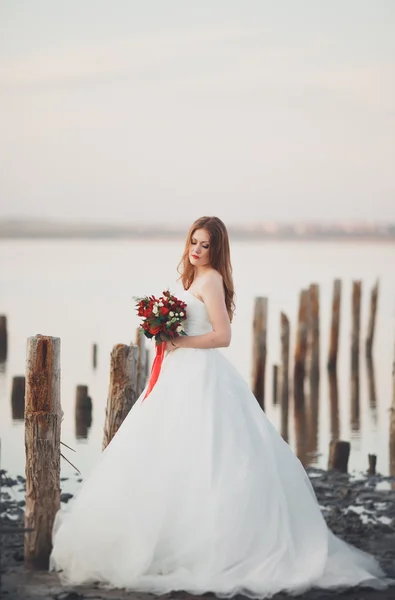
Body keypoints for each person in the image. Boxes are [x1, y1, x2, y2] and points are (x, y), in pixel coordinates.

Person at [50, 216, 389, 597]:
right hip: (179, 374)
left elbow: (223, 335)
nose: (196, 249)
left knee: (208, 453)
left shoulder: (210, 280)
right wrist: (166, 332)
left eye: (205, 245)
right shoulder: (192, 278)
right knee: (165, 452)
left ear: (217, 249)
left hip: (200, 374)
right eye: (194, 241)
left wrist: (179, 343)